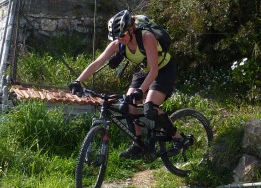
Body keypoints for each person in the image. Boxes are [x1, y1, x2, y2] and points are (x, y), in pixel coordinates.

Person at [69, 10, 185, 159]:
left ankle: (178, 138)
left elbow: (154, 71)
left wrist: (141, 91)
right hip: (145, 71)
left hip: (163, 70)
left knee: (150, 107)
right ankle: (137, 143)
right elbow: (98, 62)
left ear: (131, 29)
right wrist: (78, 81)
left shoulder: (147, 38)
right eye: (116, 37)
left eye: (122, 35)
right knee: (127, 105)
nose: (120, 39)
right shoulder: (119, 43)